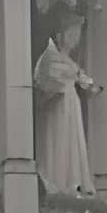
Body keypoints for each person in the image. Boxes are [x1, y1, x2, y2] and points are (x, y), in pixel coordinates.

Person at [34, 16, 99, 194]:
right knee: (59, 140)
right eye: (72, 33)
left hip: (70, 104)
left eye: (77, 33)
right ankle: (58, 182)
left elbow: (82, 79)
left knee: (71, 141)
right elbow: (45, 83)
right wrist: (66, 83)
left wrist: (88, 85)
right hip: (58, 106)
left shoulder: (68, 60)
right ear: (60, 34)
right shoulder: (50, 57)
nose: (75, 38)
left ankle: (73, 182)